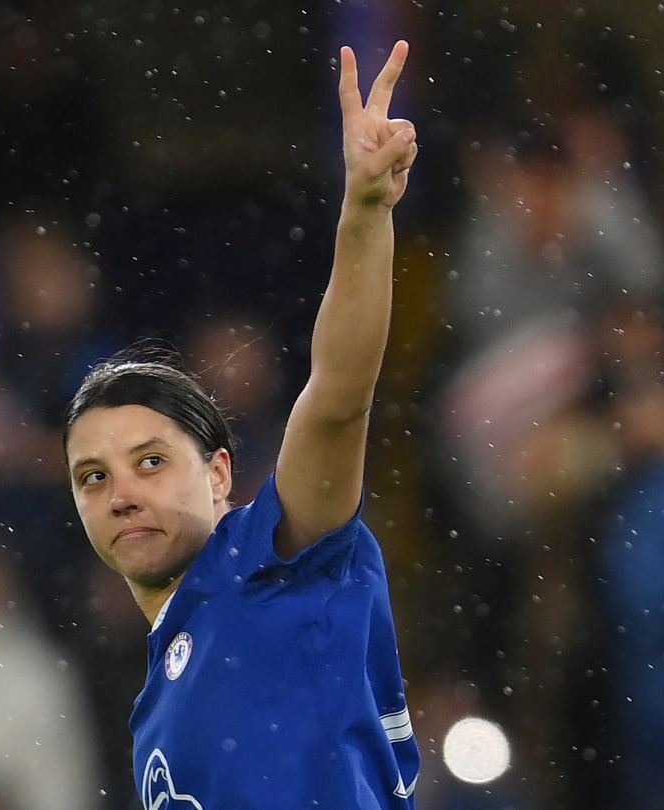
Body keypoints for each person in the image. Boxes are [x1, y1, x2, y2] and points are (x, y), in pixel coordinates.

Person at [60, 40, 421, 808]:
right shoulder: (154, 707)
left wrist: (363, 216)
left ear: (220, 474)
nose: (120, 491)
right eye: (93, 476)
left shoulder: (274, 561)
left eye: (150, 461)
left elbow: (339, 394)